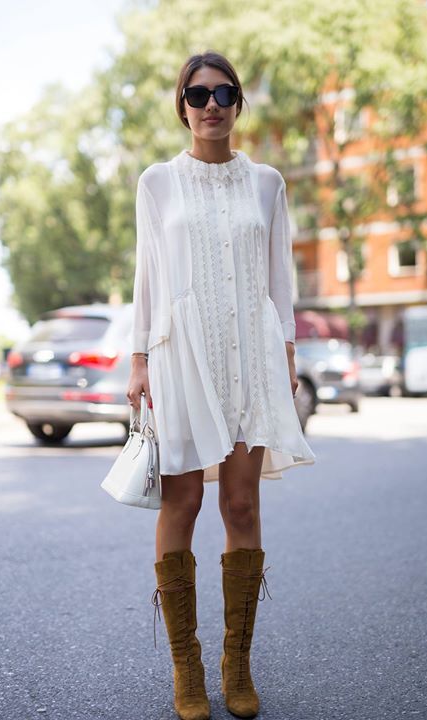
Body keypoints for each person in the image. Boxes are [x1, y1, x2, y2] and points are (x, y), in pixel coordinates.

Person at [127, 50, 316, 720]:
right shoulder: (156, 183)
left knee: (241, 510)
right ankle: (188, 669)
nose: (211, 105)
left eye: (224, 93)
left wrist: (287, 354)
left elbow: (278, 280)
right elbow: (146, 274)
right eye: (198, 94)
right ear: (181, 105)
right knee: (182, 503)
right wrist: (138, 358)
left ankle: (238, 665)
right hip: (181, 357)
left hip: (248, 356)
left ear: (238, 104)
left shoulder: (266, 184)